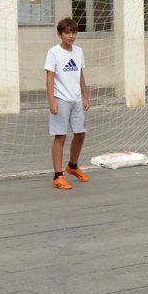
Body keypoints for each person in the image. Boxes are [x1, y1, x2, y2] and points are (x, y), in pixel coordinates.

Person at [44, 17, 90, 190]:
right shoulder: (53, 52)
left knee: (80, 134)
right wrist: (51, 102)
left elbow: (80, 74)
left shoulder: (78, 51)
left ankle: (72, 166)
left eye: (73, 32)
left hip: (76, 99)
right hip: (60, 100)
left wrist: (85, 96)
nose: (71, 36)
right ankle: (57, 176)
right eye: (67, 33)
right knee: (60, 136)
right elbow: (49, 78)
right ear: (60, 34)